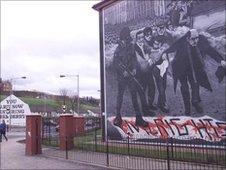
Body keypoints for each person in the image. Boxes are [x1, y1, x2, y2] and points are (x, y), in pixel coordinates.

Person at [164, 29, 226, 115]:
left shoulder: (201, 41)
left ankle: (195, 101)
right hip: (181, 67)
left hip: (194, 67)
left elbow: (210, 50)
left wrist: (220, 60)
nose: (195, 41)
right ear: (187, 38)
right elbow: (171, 48)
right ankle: (187, 108)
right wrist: (163, 54)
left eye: (197, 38)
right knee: (185, 88)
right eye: (193, 39)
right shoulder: (182, 42)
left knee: (195, 85)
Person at [112, 27, 149, 127]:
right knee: (120, 96)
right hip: (122, 77)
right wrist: (123, 71)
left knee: (134, 97)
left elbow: (134, 60)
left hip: (131, 76)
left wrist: (134, 69)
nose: (126, 39)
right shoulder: (118, 49)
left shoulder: (131, 46)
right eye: (125, 37)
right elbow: (115, 63)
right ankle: (118, 117)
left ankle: (139, 119)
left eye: (127, 37)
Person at [134, 29, 157, 114]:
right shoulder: (134, 47)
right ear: (136, 39)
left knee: (152, 87)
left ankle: (150, 104)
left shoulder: (144, 45)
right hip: (140, 73)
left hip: (147, 70)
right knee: (142, 90)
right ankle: (145, 109)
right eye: (139, 38)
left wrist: (150, 58)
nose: (140, 39)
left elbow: (149, 52)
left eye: (141, 38)